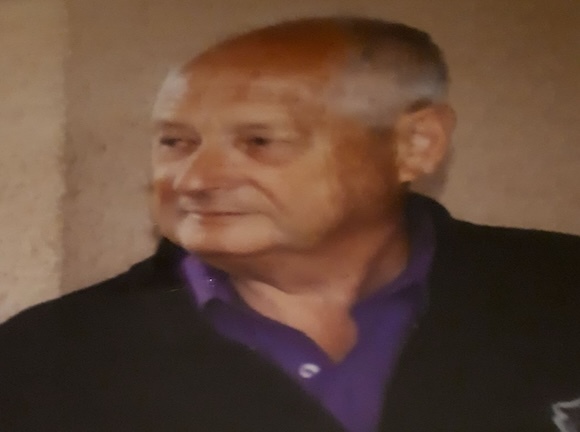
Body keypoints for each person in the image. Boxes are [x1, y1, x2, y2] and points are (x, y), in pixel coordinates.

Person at [0, 16, 579, 432]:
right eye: (175, 142)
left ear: (415, 145)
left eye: (259, 140)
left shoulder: (559, 292)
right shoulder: (44, 357)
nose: (194, 179)